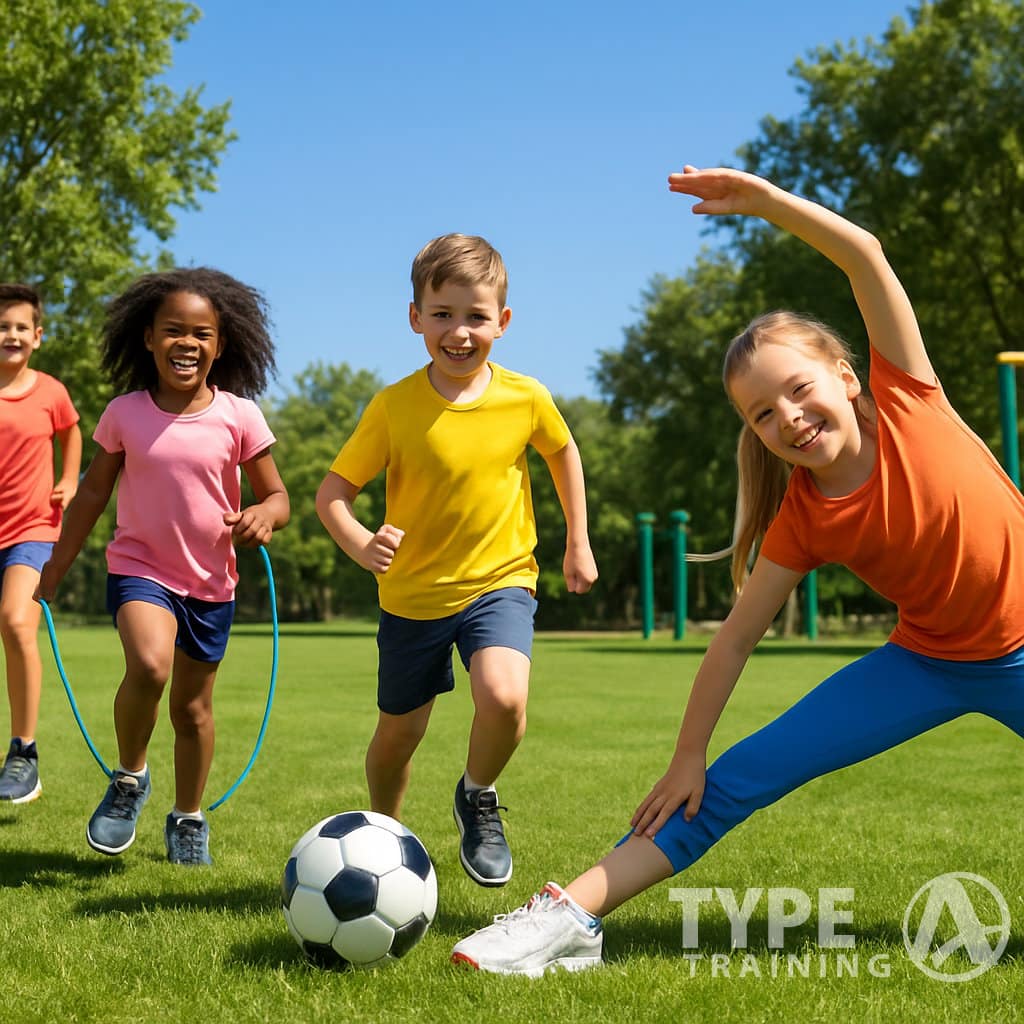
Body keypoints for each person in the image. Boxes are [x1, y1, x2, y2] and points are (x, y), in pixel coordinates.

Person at [450, 165, 1024, 974]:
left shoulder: (909, 399)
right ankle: (566, 917)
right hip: (928, 662)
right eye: (763, 413)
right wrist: (690, 756)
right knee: (731, 780)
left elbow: (863, 256)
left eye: (798, 390)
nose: (788, 417)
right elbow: (731, 644)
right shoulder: (803, 518)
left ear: (847, 376)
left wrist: (766, 205)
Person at [316, 233, 598, 887]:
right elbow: (333, 495)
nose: (459, 332)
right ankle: (380, 838)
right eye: (442, 314)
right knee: (397, 739)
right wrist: (362, 544)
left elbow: (563, 452)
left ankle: (477, 793)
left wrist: (576, 540)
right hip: (411, 597)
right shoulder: (394, 406)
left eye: (476, 316)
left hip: (501, 580)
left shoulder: (526, 397)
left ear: (502, 320)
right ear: (415, 318)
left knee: (502, 697)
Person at [38, 268, 289, 866]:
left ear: (220, 345)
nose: (187, 343)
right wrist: (56, 566)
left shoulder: (240, 415)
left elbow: (277, 496)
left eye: (201, 333)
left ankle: (188, 817)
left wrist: (265, 516)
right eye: (172, 330)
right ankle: (129, 779)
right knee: (148, 666)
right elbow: (94, 495)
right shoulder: (125, 412)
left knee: (192, 709)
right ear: (147, 338)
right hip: (139, 568)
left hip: (210, 582)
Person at [0, 284, 82, 805]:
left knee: (15, 620)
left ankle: (23, 752)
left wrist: (70, 479)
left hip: (33, 529)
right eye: (1, 327)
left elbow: (71, 433)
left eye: (19, 327)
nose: (10, 335)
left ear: (38, 335)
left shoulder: (50, 392)